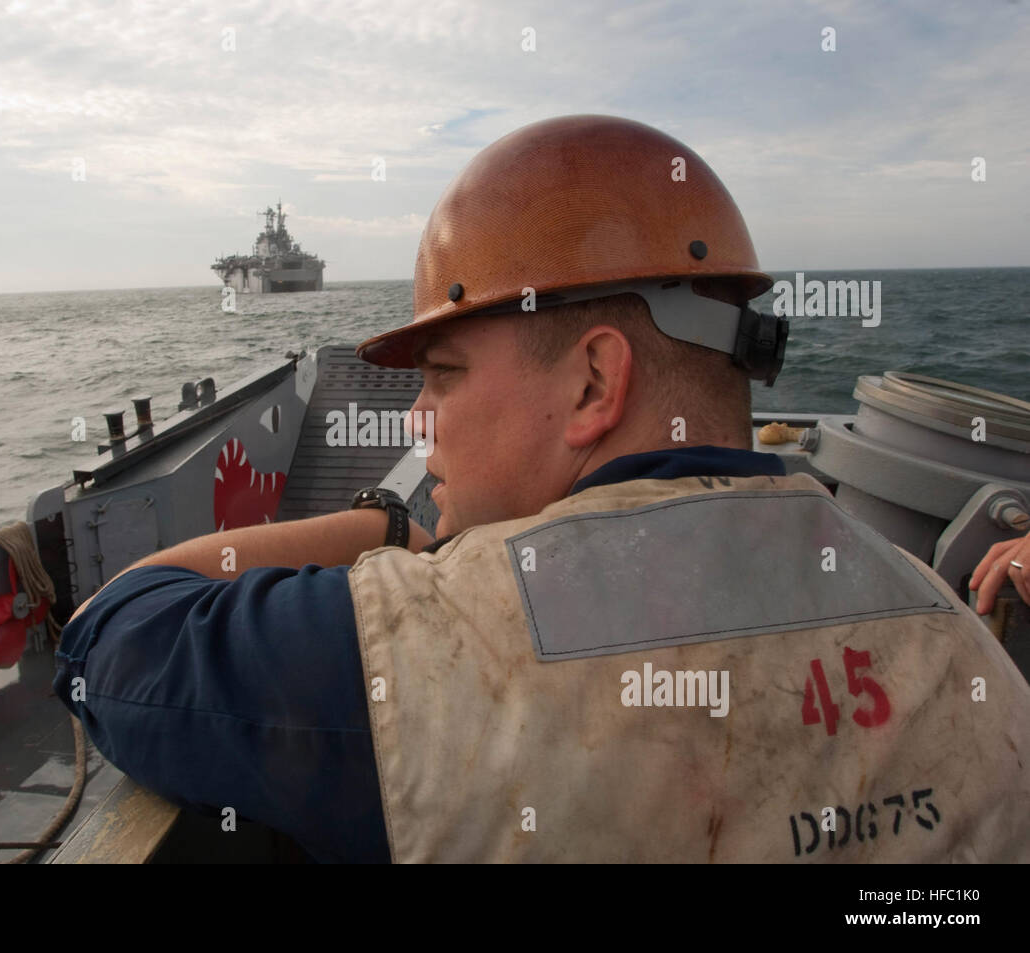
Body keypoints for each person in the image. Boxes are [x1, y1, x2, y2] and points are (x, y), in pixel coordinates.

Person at [53, 115, 1030, 862]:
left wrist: (379, 525)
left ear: (594, 383)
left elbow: (110, 637)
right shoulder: (948, 622)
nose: (415, 418)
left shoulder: (450, 636)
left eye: (443, 373)